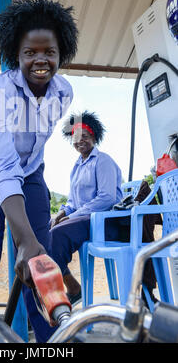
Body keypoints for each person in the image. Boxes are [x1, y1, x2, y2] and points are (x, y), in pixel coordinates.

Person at [0, 0, 79, 342]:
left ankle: (50, 340)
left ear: (61, 52)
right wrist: (22, 238)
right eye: (30, 53)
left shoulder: (64, 92)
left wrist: (31, 241)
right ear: (17, 54)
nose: (41, 60)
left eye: (49, 52)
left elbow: (30, 151)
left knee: (42, 258)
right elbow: (4, 165)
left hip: (31, 172)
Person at [49, 111, 123, 305]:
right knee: (46, 229)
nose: (80, 140)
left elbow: (107, 198)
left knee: (57, 236)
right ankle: (72, 287)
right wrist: (63, 213)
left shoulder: (103, 161)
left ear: (94, 137)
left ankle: (68, 291)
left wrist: (74, 216)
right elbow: (73, 202)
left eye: (85, 135)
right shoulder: (77, 166)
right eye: (76, 137)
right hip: (85, 221)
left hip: (105, 223)